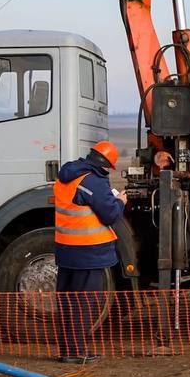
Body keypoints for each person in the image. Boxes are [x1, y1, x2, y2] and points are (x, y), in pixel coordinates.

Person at [53, 140, 126, 364]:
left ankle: (68, 350)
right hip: (88, 252)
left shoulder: (66, 175)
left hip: (66, 251)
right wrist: (120, 201)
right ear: (106, 166)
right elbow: (110, 214)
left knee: (67, 302)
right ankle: (77, 352)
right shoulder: (92, 181)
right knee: (83, 304)